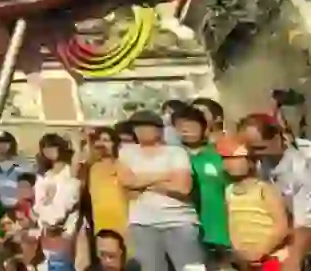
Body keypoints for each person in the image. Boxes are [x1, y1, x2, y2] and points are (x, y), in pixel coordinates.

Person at [116, 109, 203, 270]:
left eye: (145, 126)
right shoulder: (127, 152)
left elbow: (183, 188)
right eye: (136, 127)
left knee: (192, 269)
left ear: (158, 129)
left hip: (180, 222)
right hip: (143, 223)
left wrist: (142, 183)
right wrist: (165, 176)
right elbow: (127, 182)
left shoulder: (176, 152)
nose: (140, 130)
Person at [238, 112, 311, 268]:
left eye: (260, 148)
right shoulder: (260, 161)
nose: (255, 154)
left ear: (278, 138)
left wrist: (294, 259)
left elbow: (305, 221)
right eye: (250, 149)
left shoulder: (302, 164)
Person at [219, 133, 290, 269]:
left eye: (237, 158)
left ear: (251, 161)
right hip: (245, 260)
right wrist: (239, 251)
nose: (230, 163)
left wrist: (261, 251)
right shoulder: (229, 191)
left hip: (271, 258)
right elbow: (232, 225)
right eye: (226, 158)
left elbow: (282, 227)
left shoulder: (265, 189)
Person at [173, 105, 231, 262]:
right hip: (185, 229)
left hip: (219, 230)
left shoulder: (219, 155)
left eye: (191, 126)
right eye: (180, 127)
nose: (185, 131)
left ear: (204, 128)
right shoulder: (172, 159)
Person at [33, 134, 80, 271]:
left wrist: (74, 140)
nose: (49, 151)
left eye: (53, 146)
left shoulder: (68, 171)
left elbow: (70, 198)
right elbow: (39, 203)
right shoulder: (44, 175)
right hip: (46, 230)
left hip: (66, 230)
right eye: (45, 148)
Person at [84, 126, 129, 245]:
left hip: (123, 223)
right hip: (101, 224)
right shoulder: (93, 168)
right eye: (99, 140)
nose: (102, 144)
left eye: (106, 140)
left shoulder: (122, 164)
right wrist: (87, 141)